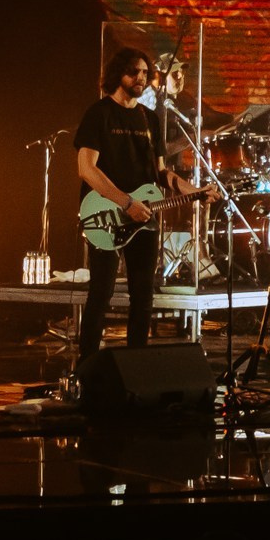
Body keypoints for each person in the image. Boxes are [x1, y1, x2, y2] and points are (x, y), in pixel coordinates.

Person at [73, 46, 181, 357]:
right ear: (118, 74)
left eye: (145, 73)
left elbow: (161, 172)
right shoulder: (99, 114)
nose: (140, 78)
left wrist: (194, 190)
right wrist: (126, 203)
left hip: (143, 216)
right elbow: (86, 169)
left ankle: (137, 364)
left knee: (143, 295)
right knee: (101, 292)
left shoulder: (149, 119)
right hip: (106, 213)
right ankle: (87, 366)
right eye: (134, 72)